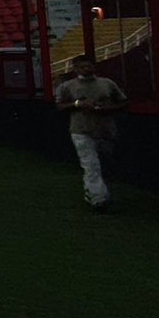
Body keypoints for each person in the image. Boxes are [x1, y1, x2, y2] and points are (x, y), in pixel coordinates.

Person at [55, 54, 127, 212]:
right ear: (75, 69)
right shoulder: (68, 86)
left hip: (105, 129)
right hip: (80, 129)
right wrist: (77, 104)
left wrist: (105, 109)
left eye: (89, 66)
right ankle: (97, 199)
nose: (86, 69)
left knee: (105, 162)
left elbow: (123, 103)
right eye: (82, 67)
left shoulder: (107, 84)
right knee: (90, 164)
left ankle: (96, 192)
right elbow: (60, 106)